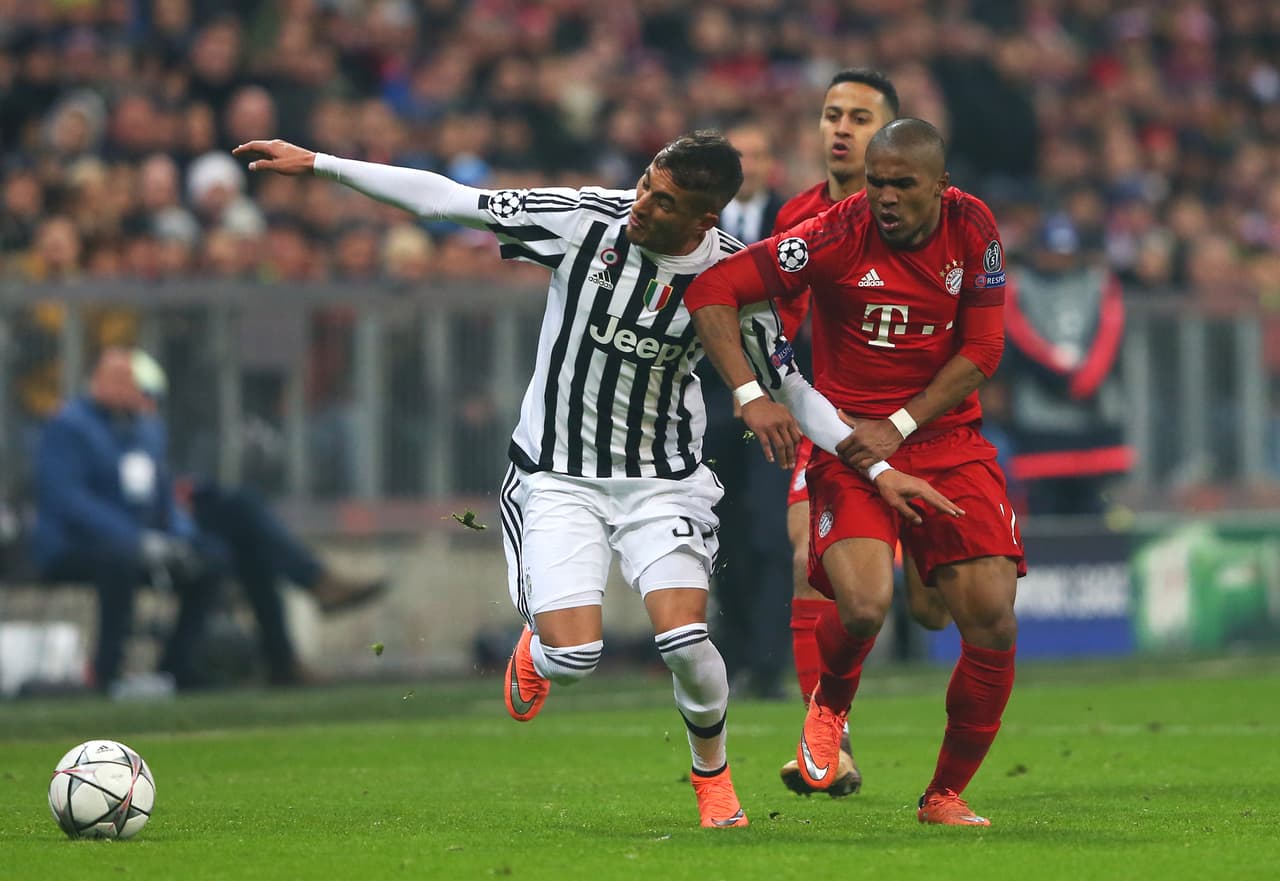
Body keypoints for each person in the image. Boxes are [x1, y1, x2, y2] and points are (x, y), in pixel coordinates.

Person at [234, 131, 957, 828]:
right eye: (645, 182)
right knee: (577, 656)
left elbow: (791, 386)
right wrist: (320, 163)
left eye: (663, 200)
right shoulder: (586, 220)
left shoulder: (735, 274)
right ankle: (541, 648)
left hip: (663, 481)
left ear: (704, 218)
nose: (641, 202)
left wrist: (880, 466)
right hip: (557, 475)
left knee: (684, 640)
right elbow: (449, 200)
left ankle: (714, 782)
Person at [686, 118, 1025, 827]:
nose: (887, 197)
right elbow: (714, 288)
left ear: (941, 186)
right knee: (865, 603)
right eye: (877, 183)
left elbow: (985, 346)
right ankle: (829, 708)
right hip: (850, 450)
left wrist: (900, 423)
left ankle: (943, 795)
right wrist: (752, 395)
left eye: (903, 184)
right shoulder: (833, 234)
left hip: (948, 442)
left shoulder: (975, 228)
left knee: (990, 619)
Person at [771, 68, 953, 798]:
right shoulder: (800, 216)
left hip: (926, 426)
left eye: (858, 116)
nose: (839, 128)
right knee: (802, 555)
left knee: (931, 610)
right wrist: (768, 389)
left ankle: (898, 544)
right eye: (829, 114)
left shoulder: (943, 213)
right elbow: (775, 319)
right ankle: (828, 735)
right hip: (835, 419)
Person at [130, 350, 388, 686]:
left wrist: (185, 497)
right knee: (244, 514)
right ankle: (315, 585)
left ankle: (282, 656)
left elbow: (159, 486)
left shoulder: (144, 434)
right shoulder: (97, 434)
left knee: (251, 546)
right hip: (137, 534)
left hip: (169, 522)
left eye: (154, 399)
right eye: (145, 397)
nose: (151, 407)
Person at [32, 348, 223, 692]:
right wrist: (137, 540)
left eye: (129, 380)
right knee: (118, 561)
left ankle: (178, 667)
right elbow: (69, 500)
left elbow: (162, 495)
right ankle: (108, 672)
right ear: (96, 382)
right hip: (74, 547)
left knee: (211, 560)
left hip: (140, 545)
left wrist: (179, 537)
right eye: (115, 379)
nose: (123, 388)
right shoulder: (68, 426)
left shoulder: (148, 431)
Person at [699, 121, 792, 700]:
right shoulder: (694, 221)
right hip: (705, 406)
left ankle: (769, 663)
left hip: (777, 404)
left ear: (769, 165)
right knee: (719, 537)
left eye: (757, 155)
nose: (749, 166)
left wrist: (763, 390)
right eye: (740, 156)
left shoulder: (796, 225)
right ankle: (730, 652)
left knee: (769, 535)